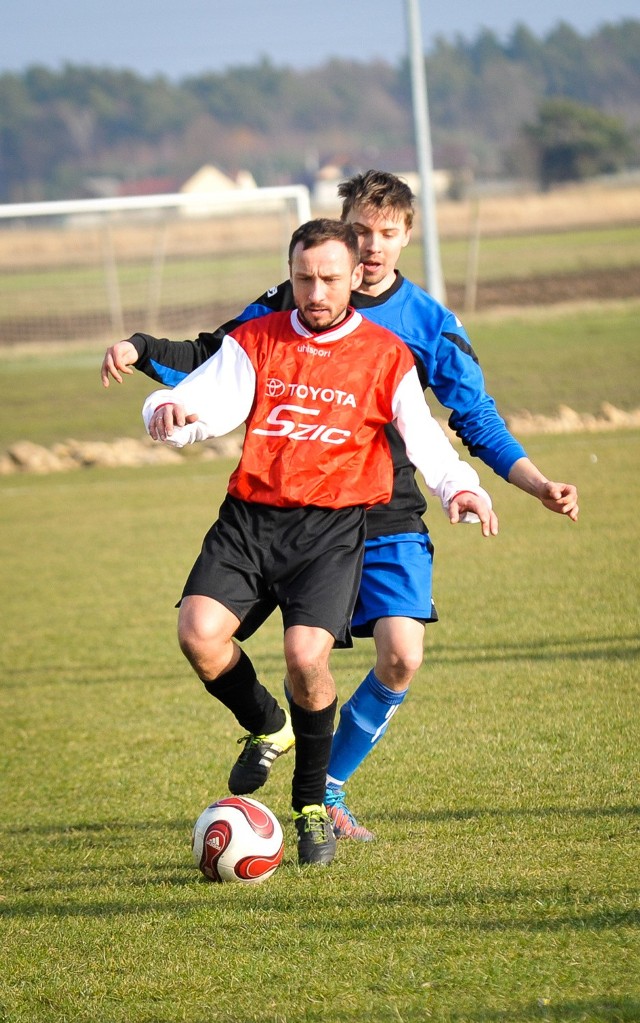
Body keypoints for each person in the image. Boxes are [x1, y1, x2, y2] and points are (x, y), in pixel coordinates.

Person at [102, 170, 579, 842]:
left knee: (399, 655)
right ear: (338, 241)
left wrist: (529, 482)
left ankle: (324, 784)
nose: (372, 245)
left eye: (386, 233)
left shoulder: (422, 327)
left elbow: (469, 416)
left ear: (405, 236)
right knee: (254, 644)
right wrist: (149, 359)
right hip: (283, 508)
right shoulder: (290, 302)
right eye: (360, 231)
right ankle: (303, 771)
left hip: (385, 507)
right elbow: (214, 362)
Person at [141, 218, 496, 866]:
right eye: (304, 277)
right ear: (293, 273)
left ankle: (309, 800)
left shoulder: (386, 355)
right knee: (197, 633)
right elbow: (203, 405)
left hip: (330, 530)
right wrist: (169, 414)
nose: (315, 291)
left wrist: (462, 489)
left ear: (353, 275)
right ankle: (267, 723)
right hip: (250, 517)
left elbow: (425, 440)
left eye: (328, 278)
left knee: (308, 657)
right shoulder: (257, 339)